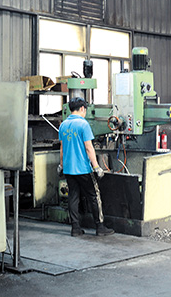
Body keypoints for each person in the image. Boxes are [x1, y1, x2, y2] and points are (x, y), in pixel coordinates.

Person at [58, 97, 114, 237]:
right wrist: (96, 167)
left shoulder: (63, 125)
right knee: (94, 196)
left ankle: (75, 229)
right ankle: (100, 227)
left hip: (69, 169)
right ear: (82, 108)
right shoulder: (83, 125)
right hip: (83, 168)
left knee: (73, 197)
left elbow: (62, 149)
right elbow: (89, 148)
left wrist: (61, 165)